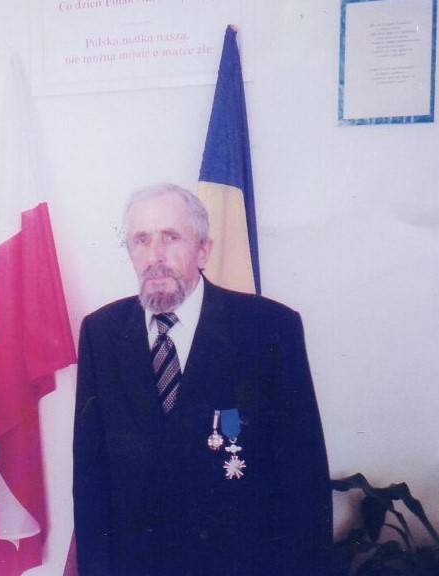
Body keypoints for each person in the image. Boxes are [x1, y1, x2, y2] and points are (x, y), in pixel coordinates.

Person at [72, 182, 332, 576]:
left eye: (171, 237)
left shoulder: (269, 329)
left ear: (204, 249)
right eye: (141, 240)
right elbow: (90, 480)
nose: (155, 256)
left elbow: (304, 481)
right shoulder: (101, 332)